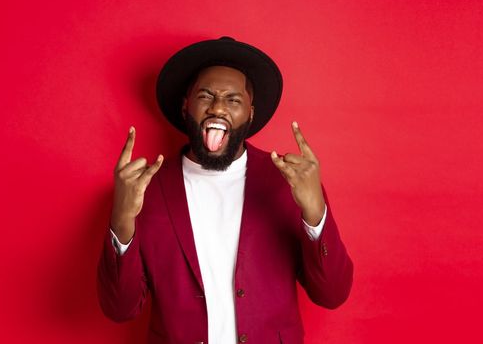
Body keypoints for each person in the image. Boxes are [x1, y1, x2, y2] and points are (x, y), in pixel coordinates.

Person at [97, 36, 353, 344]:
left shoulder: (288, 181)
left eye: (233, 100)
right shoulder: (145, 189)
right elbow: (119, 309)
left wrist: (315, 213)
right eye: (205, 96)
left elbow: (332, 294)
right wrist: (122, 217)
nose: (218, 108)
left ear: (250, 114)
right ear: (185, 106)